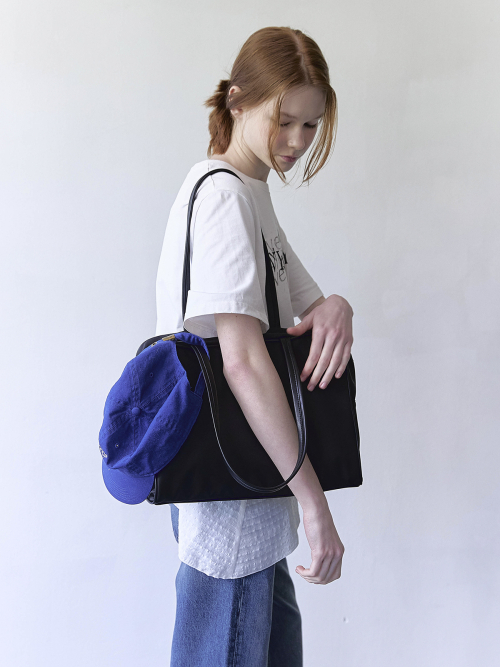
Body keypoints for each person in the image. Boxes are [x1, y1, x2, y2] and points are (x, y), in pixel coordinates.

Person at [155, 26, 354, 667]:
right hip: (234, 508)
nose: (296, 141)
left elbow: (307, 303)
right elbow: (241, 361)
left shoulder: (250, 191)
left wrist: (338, 307)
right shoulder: (222, 198)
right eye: (284, 121)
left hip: (254, 497)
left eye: (310, 125)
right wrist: (315, 504)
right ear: (238, 99)